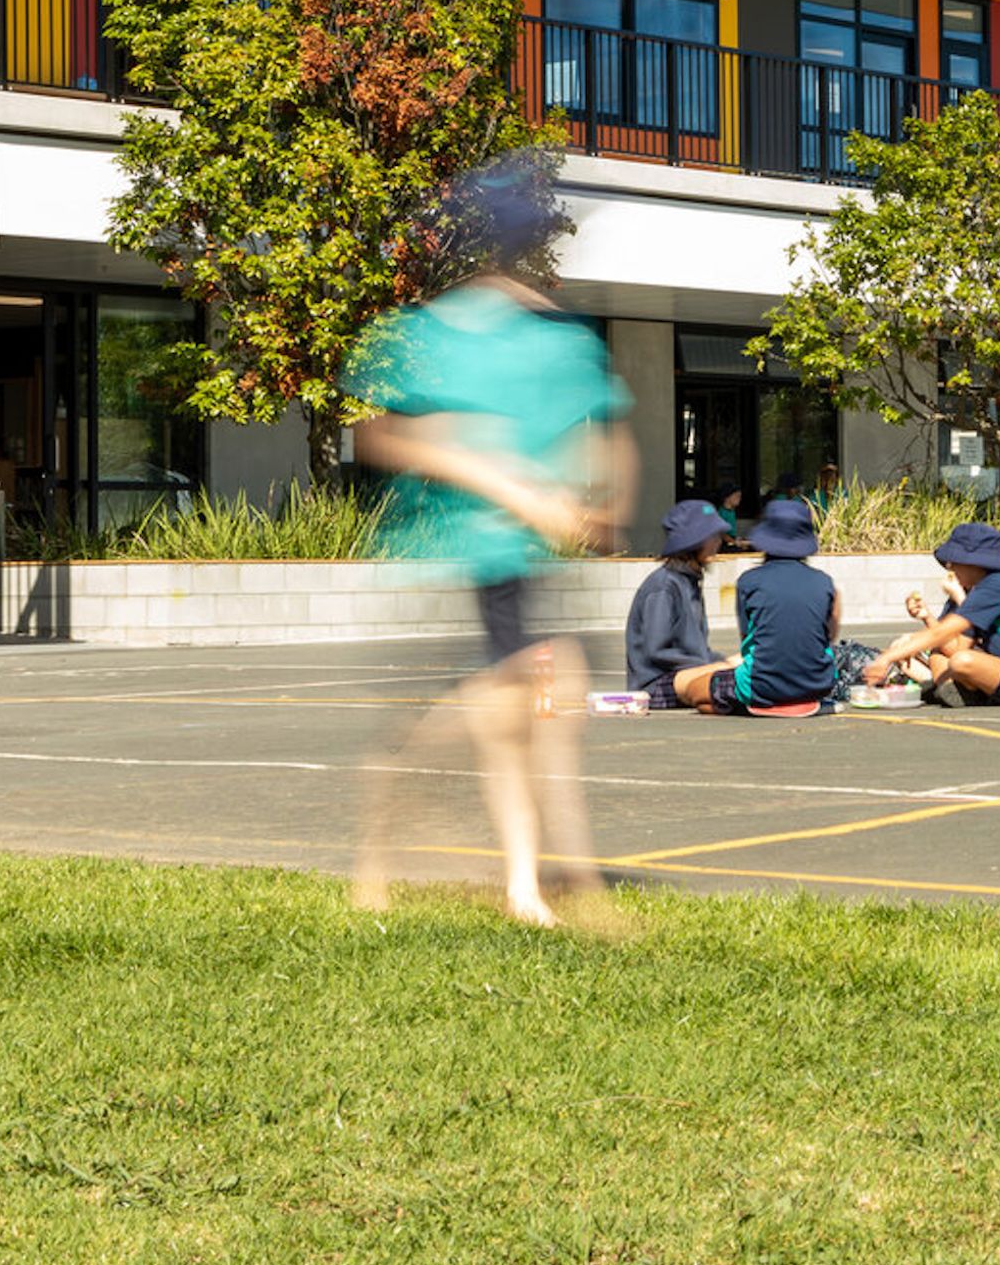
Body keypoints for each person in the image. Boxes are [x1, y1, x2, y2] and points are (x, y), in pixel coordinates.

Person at [348, 164, 633, 927]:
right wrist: (506, 486)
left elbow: (606, 445)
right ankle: (547, 884)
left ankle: (526, 887)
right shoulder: (431, 332)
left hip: (514, 558)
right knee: (521, 707)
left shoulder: (555, 341)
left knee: (528, 712)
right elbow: (378, 435)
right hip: (447, 553)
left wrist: (589, 504)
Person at [860, 522, 1000, 708]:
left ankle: (944, 688)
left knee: (962, 661)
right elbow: (953, 644)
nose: (949, 568)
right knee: (939, 656)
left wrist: (886, 657)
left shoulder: (996, 588)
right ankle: (946, 688)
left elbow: (941, 635)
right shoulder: (982, 589)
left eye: (954, 562)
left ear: (973, 563)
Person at [698, 497, 844, 716]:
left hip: (760, 685)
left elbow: (748, 637)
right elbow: (828, 636)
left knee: (693, 689)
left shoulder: (749, 581)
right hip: (817, 684)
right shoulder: (824, 582)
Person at [625, 500, 732, 709]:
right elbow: (656, 650)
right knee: (726, 684)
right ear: (692, 543)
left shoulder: (689, 581)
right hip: (654, 684)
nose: (718, 542)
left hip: (685, 673)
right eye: (712, 537)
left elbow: (697, 650)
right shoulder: (664, 586)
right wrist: (709, 665)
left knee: (742, 667)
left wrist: (726, 662)